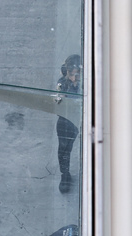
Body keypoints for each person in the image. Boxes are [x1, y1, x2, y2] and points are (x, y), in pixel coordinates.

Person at [56, 53, 82, 195]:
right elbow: (58, 103)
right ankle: (64, 174)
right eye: (71, 75)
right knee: (64, 148)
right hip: (68, 117)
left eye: (77, 75)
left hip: (82, 115)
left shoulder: (87, 83)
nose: (74, 78)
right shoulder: (63, 82)